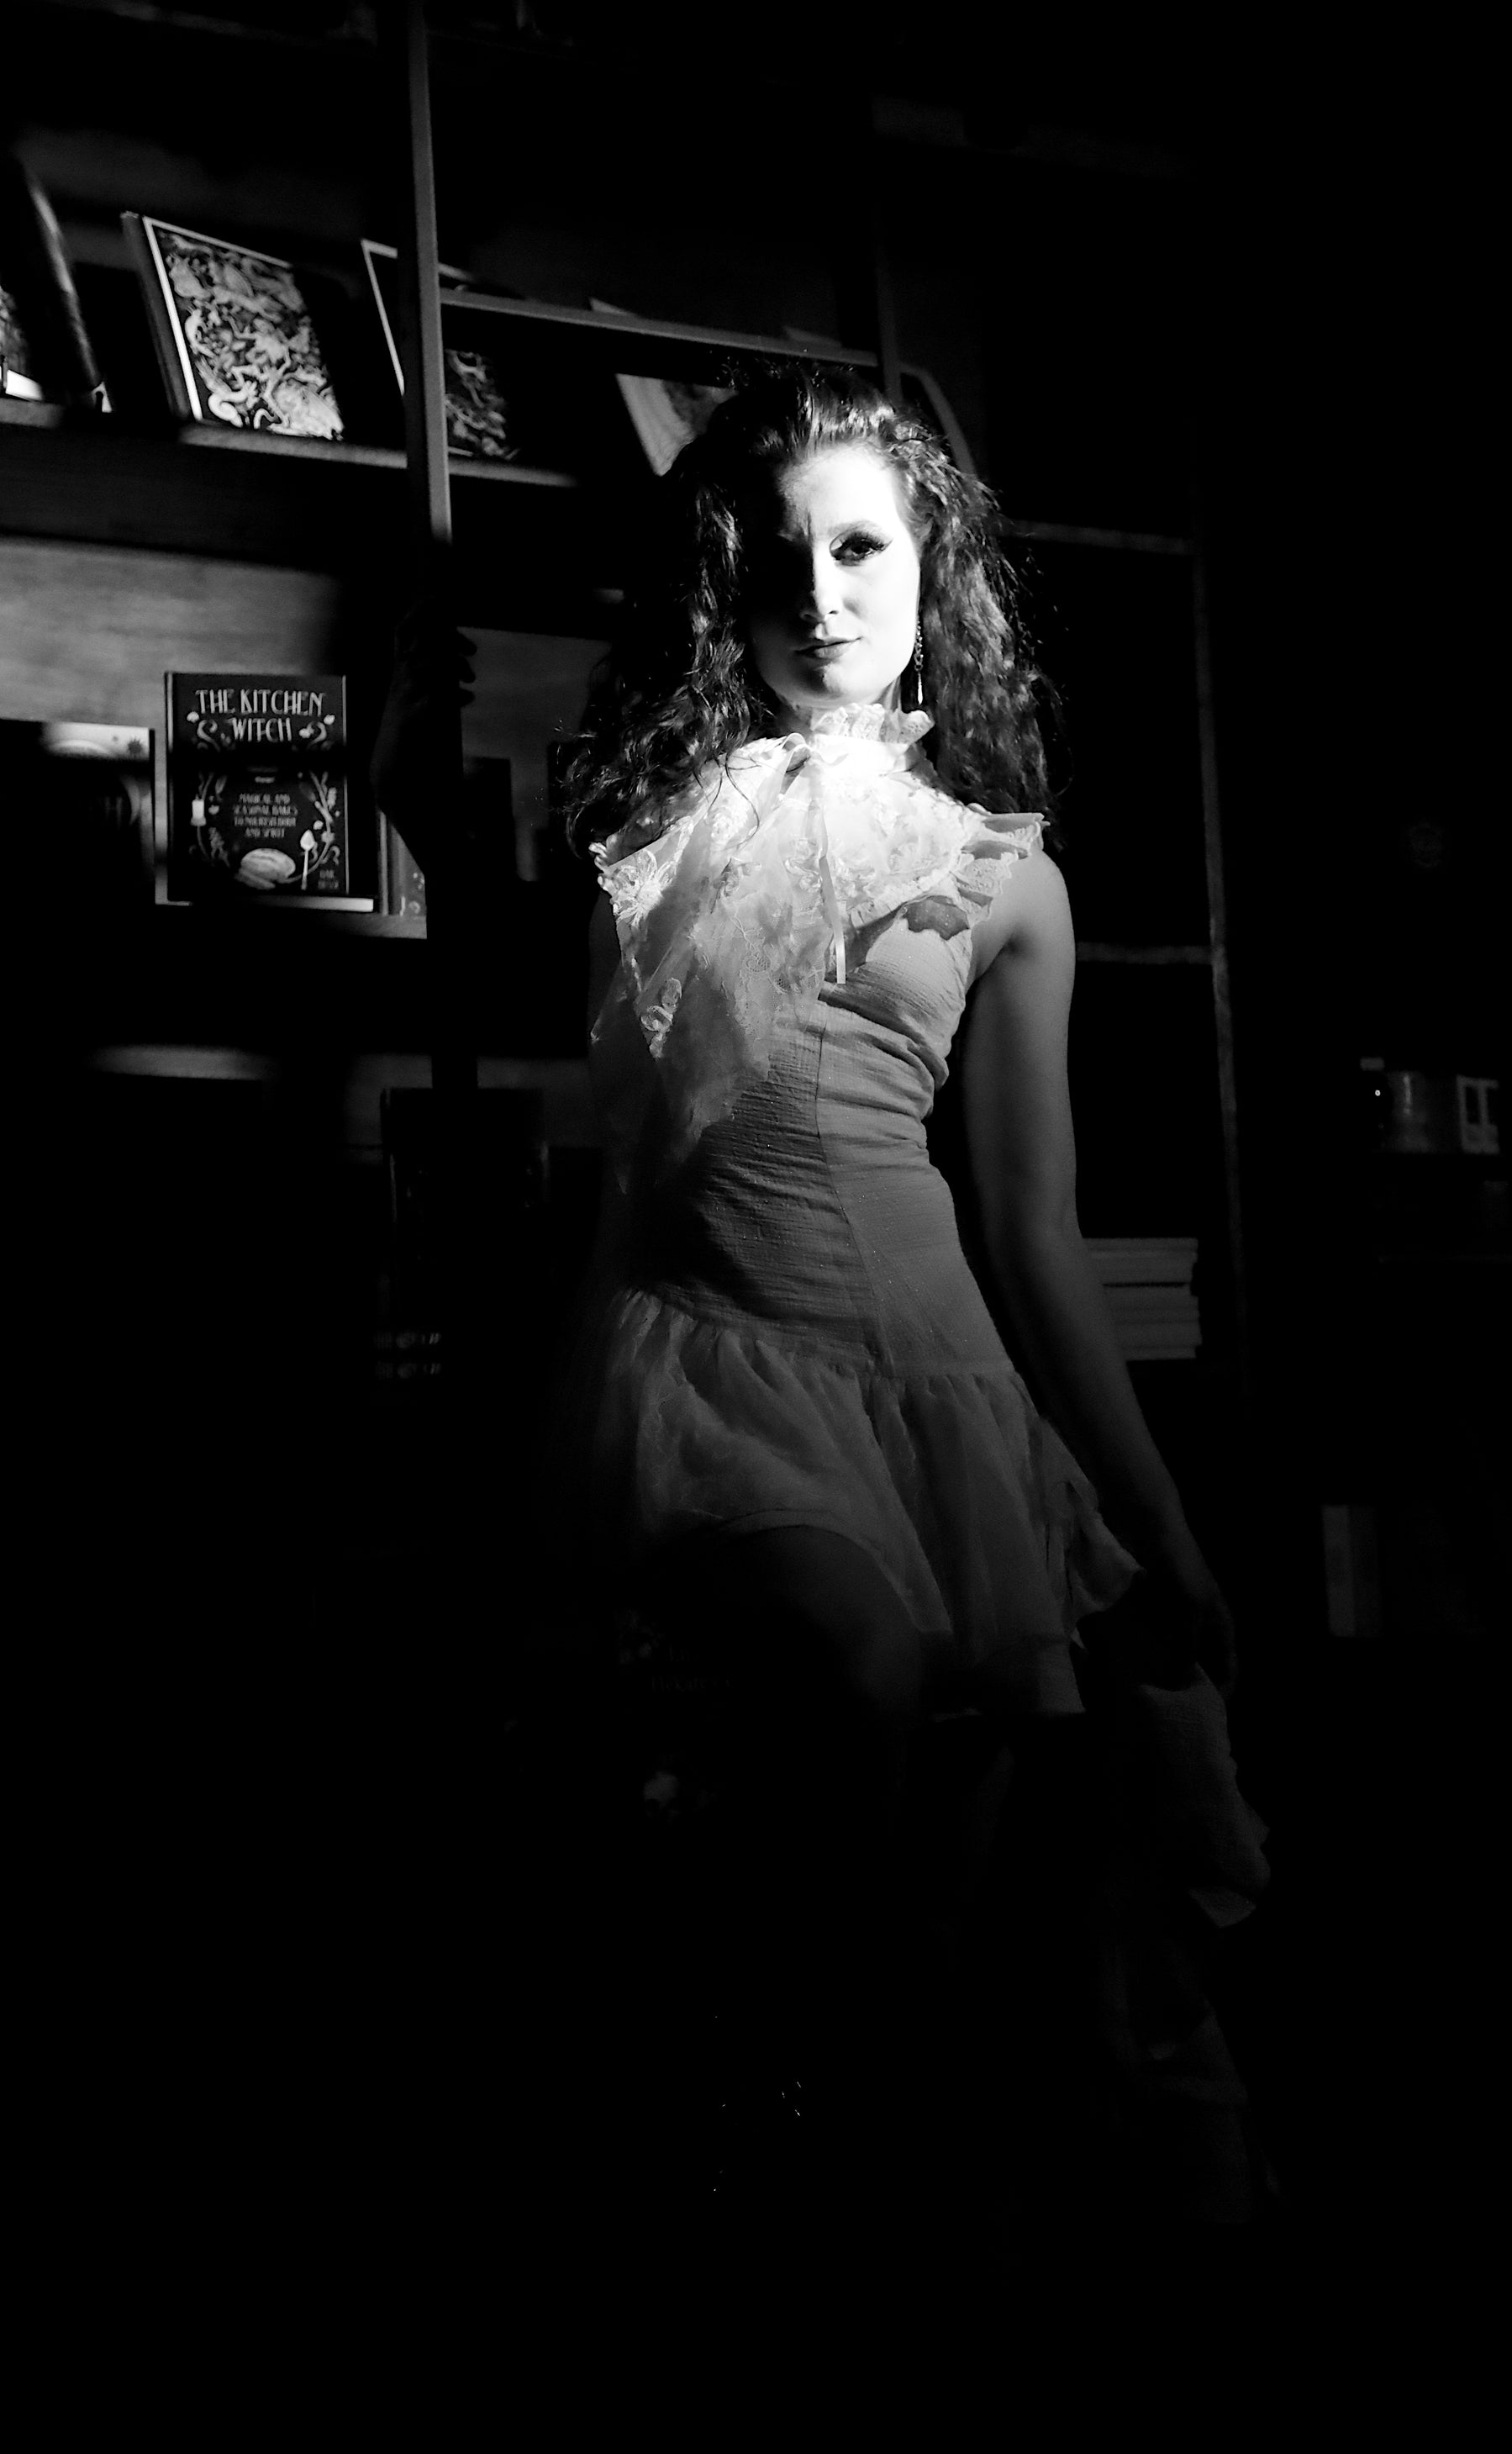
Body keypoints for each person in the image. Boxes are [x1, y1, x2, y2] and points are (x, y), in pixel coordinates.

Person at [374, 367, 1276, 2312]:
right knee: (862, 1658)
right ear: (727, 585)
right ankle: (785, 2123)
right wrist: (401, 784)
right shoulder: (651, 826)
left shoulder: (1002, 869)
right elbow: (586, 1101)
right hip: (713, 1342)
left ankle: (880, 2167)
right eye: (779, 551)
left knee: (1019, 1778)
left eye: (861, 543)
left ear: (926, 565)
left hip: (934, 1367)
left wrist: (1161, 1516)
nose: (823, 585)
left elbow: (1034, 1232)